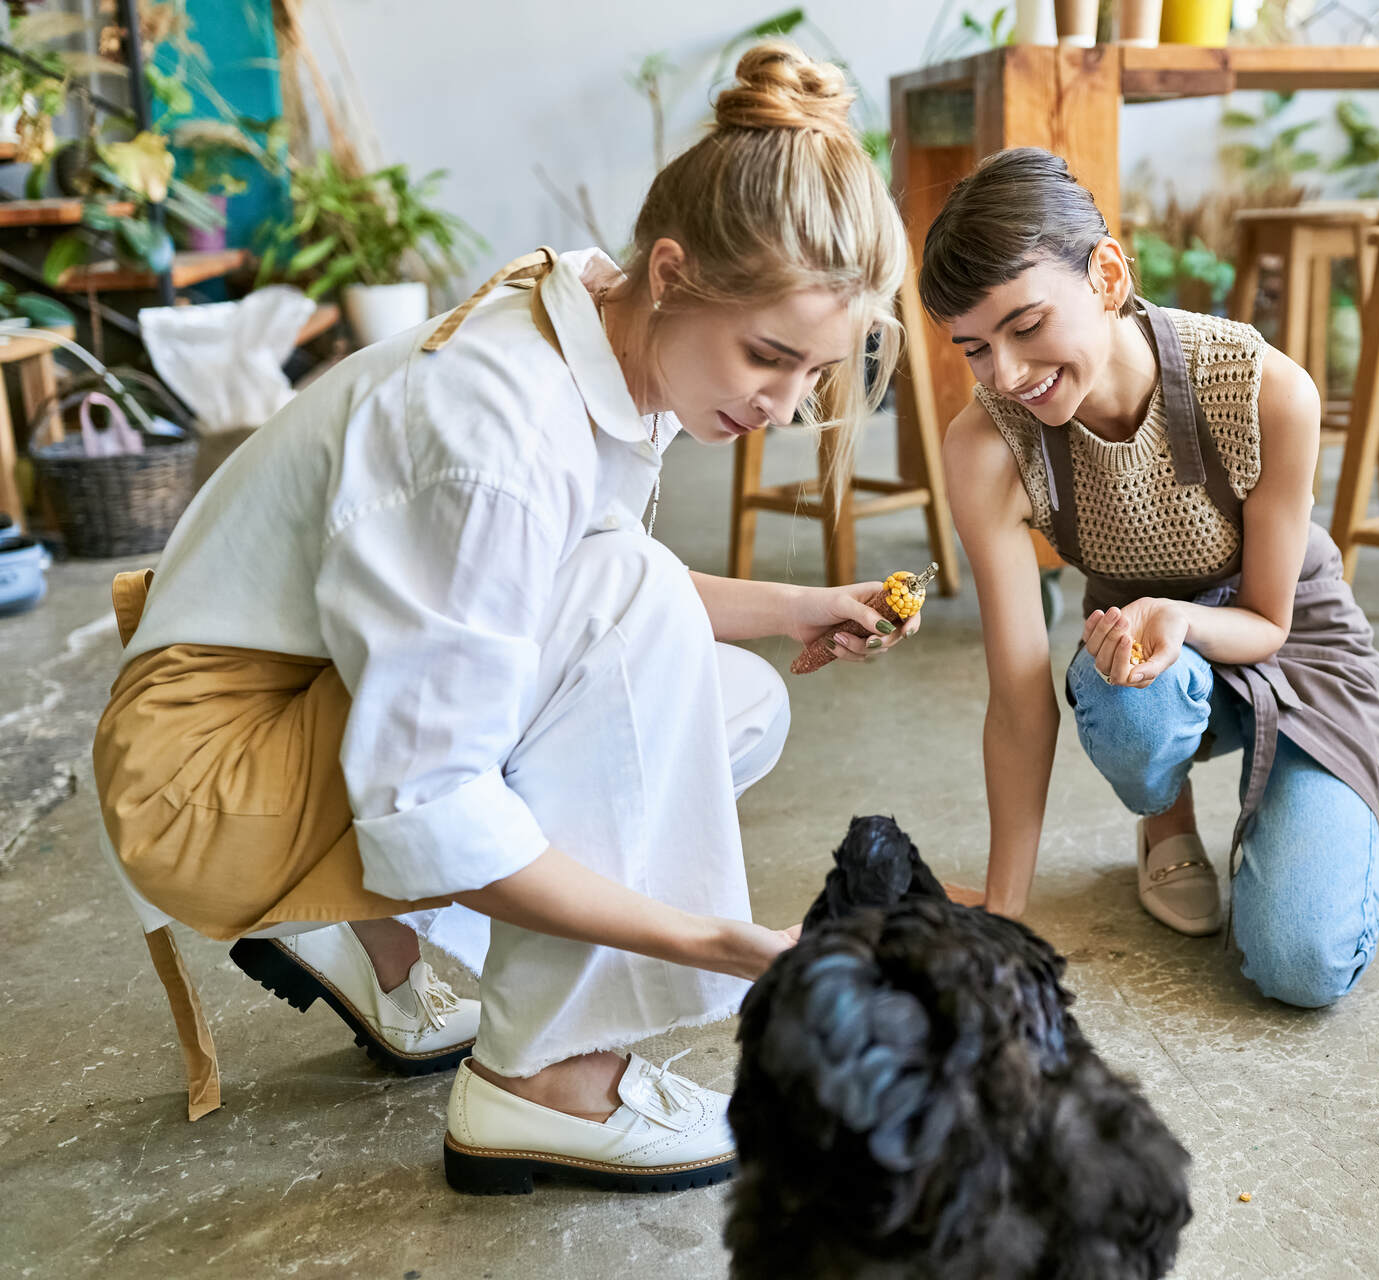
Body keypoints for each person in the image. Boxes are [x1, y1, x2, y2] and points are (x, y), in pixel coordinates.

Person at [92, 43, 910, 1195]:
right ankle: (543, 1081)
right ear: (672, 272)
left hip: (290, 701)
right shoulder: (495, 433)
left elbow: (555, 580)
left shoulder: (602, 326)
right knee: (634, 637)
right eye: (768, 357)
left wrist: (794, 607)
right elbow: (440, 786)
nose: (781, 404)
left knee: (734, 700)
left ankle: (370, 935)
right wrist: (713, 937)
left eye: (813, 374)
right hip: (203, 773)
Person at [921, 148, 1379, 1009]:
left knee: (1303, 967)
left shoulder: (1264, 391)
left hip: (1290, 643)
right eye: (973, 348)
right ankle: (1167, 815)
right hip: (1148, 663)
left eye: (1026, 326)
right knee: (1129, 700)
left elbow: (1267, 618)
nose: (1006, 373)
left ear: (1106, 275)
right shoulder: (987, 446)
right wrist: (1002, 913)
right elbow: (1020, 695)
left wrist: (1184, 617)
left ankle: (1344, 759)